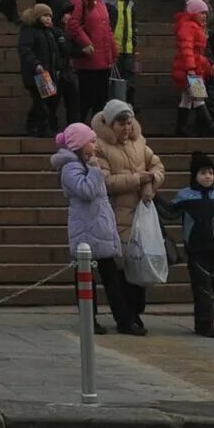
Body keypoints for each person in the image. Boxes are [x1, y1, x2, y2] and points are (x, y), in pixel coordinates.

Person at [50, 123, 140, 336]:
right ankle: (90, 319)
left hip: (99, 227)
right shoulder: (70, 167)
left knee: (112, 276)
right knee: (85, 277)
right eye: (91, 141)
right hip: (85, 230)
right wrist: (94, 169)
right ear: (80, 145)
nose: (94, 145)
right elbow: (86, 191)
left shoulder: (87, 165)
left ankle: (123, 319)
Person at [90, 98, 164, 336]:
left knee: (137, 268)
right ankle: (124, 318)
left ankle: (135, 313)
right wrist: (137, 180)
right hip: (113, 218)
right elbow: (105, 181)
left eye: (128, 122)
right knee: (119, 272)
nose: (125, 127)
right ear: (110, 124)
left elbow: (158, 167)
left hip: (140, 218)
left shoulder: (140, 142)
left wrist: (151, 181)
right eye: (120, 123)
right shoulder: (99, 146)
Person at [169, 150, 214, 338]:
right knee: (202, 287)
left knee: (213, 286)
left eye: (210, 173)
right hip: (196, 249)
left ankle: (201, 323)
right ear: (194, 176)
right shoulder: (185, 196)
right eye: (203, 173)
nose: (207, 177)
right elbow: (170, 212)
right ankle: (208, 324)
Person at [65, 0, 118, 117]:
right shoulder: (78, 0)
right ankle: (78, 129)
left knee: (101, 100)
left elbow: (107, 29)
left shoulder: (100, 1)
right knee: (86, 98)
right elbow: (73, 25)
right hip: (89, 58)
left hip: (104, 58)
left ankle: (97, 130)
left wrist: (113, 51)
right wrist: (86, 43)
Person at [173, 0, 214, 138]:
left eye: (205, 13)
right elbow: (187, 49)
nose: (205, 16)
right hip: (189, 69)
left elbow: (197, 53)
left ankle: (181, 129)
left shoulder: (194, 27)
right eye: (201, 13)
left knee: (186, 99)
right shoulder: (189, 27)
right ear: (193, 14)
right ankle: (210, 125)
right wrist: (191, 68)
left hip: (191, 68)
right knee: (198, 96)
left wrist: (207, 64)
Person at [18, 4, 65, 138]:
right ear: (37, 17)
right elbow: (26, 50)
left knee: (46, 100)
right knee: (41, 102)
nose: (48, 18)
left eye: (50, 16)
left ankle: (33, 125)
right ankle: (42, 128)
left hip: (47, 73)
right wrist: (36, 64)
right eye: (45, 16)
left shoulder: (48, 32)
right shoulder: (30, 31)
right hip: (37, 73)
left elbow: (54, 52)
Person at [107, 0, 138, 106]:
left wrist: (135, 46)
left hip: (129, 48)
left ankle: (128, 103)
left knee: (129, 80)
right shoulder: (109, 2)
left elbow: (133, 25)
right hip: (115, 48)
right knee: (115, 79)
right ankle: (115, 104)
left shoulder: (131, 3)